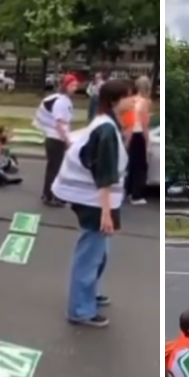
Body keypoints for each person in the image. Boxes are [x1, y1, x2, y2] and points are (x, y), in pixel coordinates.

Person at [52, 79, 134, 328]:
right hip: (92, 200)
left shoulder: (106, 123)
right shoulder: (106, 129)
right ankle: (80, 309)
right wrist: (106, 213)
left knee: (100, 251)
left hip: (92, 197)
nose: (134, 101)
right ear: (116, 100)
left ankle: (88, 294)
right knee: (90, 253)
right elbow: (104, 175)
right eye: (130, 97)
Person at [35, 73, 79, 207]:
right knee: (55, 169)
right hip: (55, 139)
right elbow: (60, 123)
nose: (75, 88)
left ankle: (48, 194)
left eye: (76, 85)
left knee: (54, 168)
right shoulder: (61, 102)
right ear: (65, 86)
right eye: (72, 85)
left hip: (55, 139)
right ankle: (50, 196)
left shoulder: (65, 100)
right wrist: (67, 140)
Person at [121, 75, 153, 205]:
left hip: (130, 134)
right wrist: (148, 142)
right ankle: (137, 196)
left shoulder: (131, 101)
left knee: (131, 165)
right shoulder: (145, 102)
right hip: (139, 135)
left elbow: (127, 120)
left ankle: (128, 192)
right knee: (141, 166)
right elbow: (144, 124)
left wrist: (126, 137)